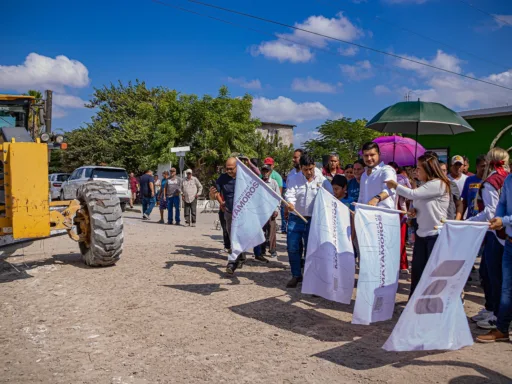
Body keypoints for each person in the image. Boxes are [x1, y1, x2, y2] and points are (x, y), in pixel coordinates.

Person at [386, 154, 450, 296]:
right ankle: (413, 306)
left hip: (435, 235)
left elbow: (412, 194)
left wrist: (395, 185)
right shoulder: (426, 185)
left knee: (433, 274)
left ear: (428, 169)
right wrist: (415, 211)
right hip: (422, 235)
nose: (416, 170)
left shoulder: (438, 184)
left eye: (419, 168)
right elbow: (423, 202)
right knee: (417, 272)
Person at [468, 148, 510, 330]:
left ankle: (497, 314)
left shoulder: (492, 181)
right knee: (489, 273)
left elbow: (490, 212)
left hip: (496, 233)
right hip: (501, 232)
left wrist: (467, 222)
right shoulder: (505, 178)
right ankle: (492, 308)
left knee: (493, 276)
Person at [285, 153, 333, 288]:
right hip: (296, 218)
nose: (309, 172)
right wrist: (290, 203)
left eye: (311, 168)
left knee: (311, 249)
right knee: (293, 247)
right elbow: (290, 194)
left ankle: (310, 277)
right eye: (306, 169)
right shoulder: (294, 178)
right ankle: (296, 275)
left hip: (314, 219)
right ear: (301, 168)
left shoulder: (322, 180)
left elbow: (330, 196)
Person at [214, 158, 267, 275]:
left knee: (241, 236)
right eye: (226, 169)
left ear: (237, 167)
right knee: (232, 236)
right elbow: (216, 192)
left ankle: (233, 262)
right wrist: (220, 201)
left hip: (244, 213)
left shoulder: (245, 177)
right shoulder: (222, 178)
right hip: (229, 212)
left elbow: (258, 177)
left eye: (231, 169)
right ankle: (237, 259)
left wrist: (249, 164)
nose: (228, 171)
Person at [477, 174, 512, 342]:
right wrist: (497, 218)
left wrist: (503, 220)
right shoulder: (509, 179)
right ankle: (502, 329)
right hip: (510, 242)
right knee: (506, 289)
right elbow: (502, 204)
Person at [358, 142, 397, 209]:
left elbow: (391, 188)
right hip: (366, 215)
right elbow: (361, 196)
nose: (369, 158)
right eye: (366, 155)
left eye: (372, 155)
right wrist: (357, 209)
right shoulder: (364, 175)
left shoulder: (387, 170)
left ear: (379, 154)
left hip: (384, 215)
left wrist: (377, 198)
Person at [389, 162, 412, 273]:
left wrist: (400, 187)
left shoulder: (402, 179)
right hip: (388, 210)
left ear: (397, 169)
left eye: (393, 168)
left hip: (400, 211)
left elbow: (410, 194)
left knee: (401, 240)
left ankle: (403, 265)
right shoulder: (383, 178)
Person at [260, 164, 280, 258]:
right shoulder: (259, 182)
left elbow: (278, 197)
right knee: (261, 232)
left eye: (266, 171)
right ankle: (262, 250)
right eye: (263, 171)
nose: (265, 173)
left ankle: (272, 250)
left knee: (272, 231)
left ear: (270, 172)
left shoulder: (274, 183)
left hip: (271, 211)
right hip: (261, 211)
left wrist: (276, 209)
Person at [462, 155, 487, 219]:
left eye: (487, 166)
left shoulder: (490, 180)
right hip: (471, 220)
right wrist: (460, 218)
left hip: (486, 221)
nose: (485, 168)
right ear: (477, 166)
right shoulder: (469, 180)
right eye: (483, 166)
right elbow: (464, 201)